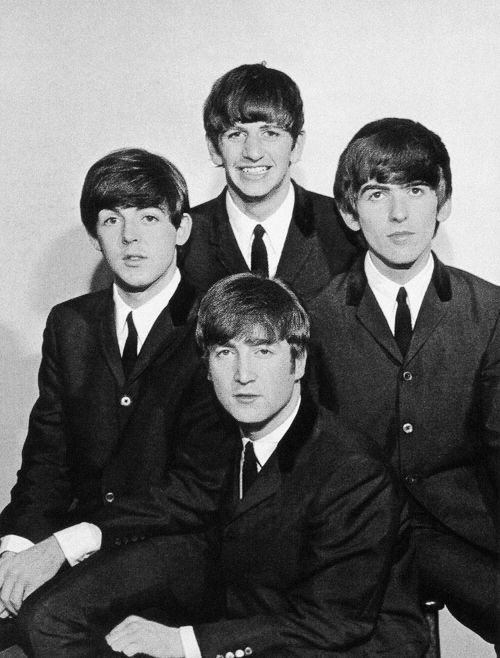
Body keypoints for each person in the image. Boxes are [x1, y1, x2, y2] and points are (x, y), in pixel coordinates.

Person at [18, 274, 427, 657]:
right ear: (208, 370)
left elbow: (332, 622)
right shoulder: (226, 438)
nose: (242, 375)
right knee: (56, 616)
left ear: (298, 362)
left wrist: (186, 642)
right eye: (225, 352)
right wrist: (67, 544)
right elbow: (179, 504)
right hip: (255, 617)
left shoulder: (352, 472)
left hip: (344, 646)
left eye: (262, 350)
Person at [0, 148, 222, 649]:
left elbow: (197, 490)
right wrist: (13, 552)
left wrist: (62, 545)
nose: (130, 236)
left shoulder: (216, 325)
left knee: (47, 620)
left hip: (179, 546)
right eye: (111, 219)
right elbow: (45, 462)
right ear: (95, 236)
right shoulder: (70, 324)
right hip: (84, 540)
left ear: (181, 228)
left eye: (148, 217)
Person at [308, 118, 500, 649]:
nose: (399, 214)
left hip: (465, 532)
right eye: (376, 194)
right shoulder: (315, 317)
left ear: (443, 201)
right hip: (359, 539)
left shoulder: (489, 311)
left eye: (416, 191)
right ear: (349, 212)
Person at [180, 62, 359, 302]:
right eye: (236, 134)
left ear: (296, 146)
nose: (253, 152)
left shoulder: (345, 230)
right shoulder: (183, 239)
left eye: (270, 134)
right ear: (214, 149)